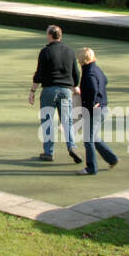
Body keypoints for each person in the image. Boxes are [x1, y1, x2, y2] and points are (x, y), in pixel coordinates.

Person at [28, 25, 82, 163]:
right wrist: (75, 86)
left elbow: (39, 73)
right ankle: (72, 146)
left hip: (49, 90)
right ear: (60, 35)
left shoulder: (45, 52)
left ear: (49, 35)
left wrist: (33, 91)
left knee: (48, 121)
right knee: (67, 121)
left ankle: (48, 152)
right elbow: (75, 72)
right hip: (65, 91)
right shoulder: (70, 52)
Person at [75, 47, 118, 175]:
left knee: (88, 139)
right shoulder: (96, 69)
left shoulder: (89, 73)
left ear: (83, 60)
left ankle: (91, 168)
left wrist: (93, 102)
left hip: (94, 111)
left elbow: (93, 88)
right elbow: (105, 80)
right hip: (103, 109)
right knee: (94, 137)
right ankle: (112, 158)